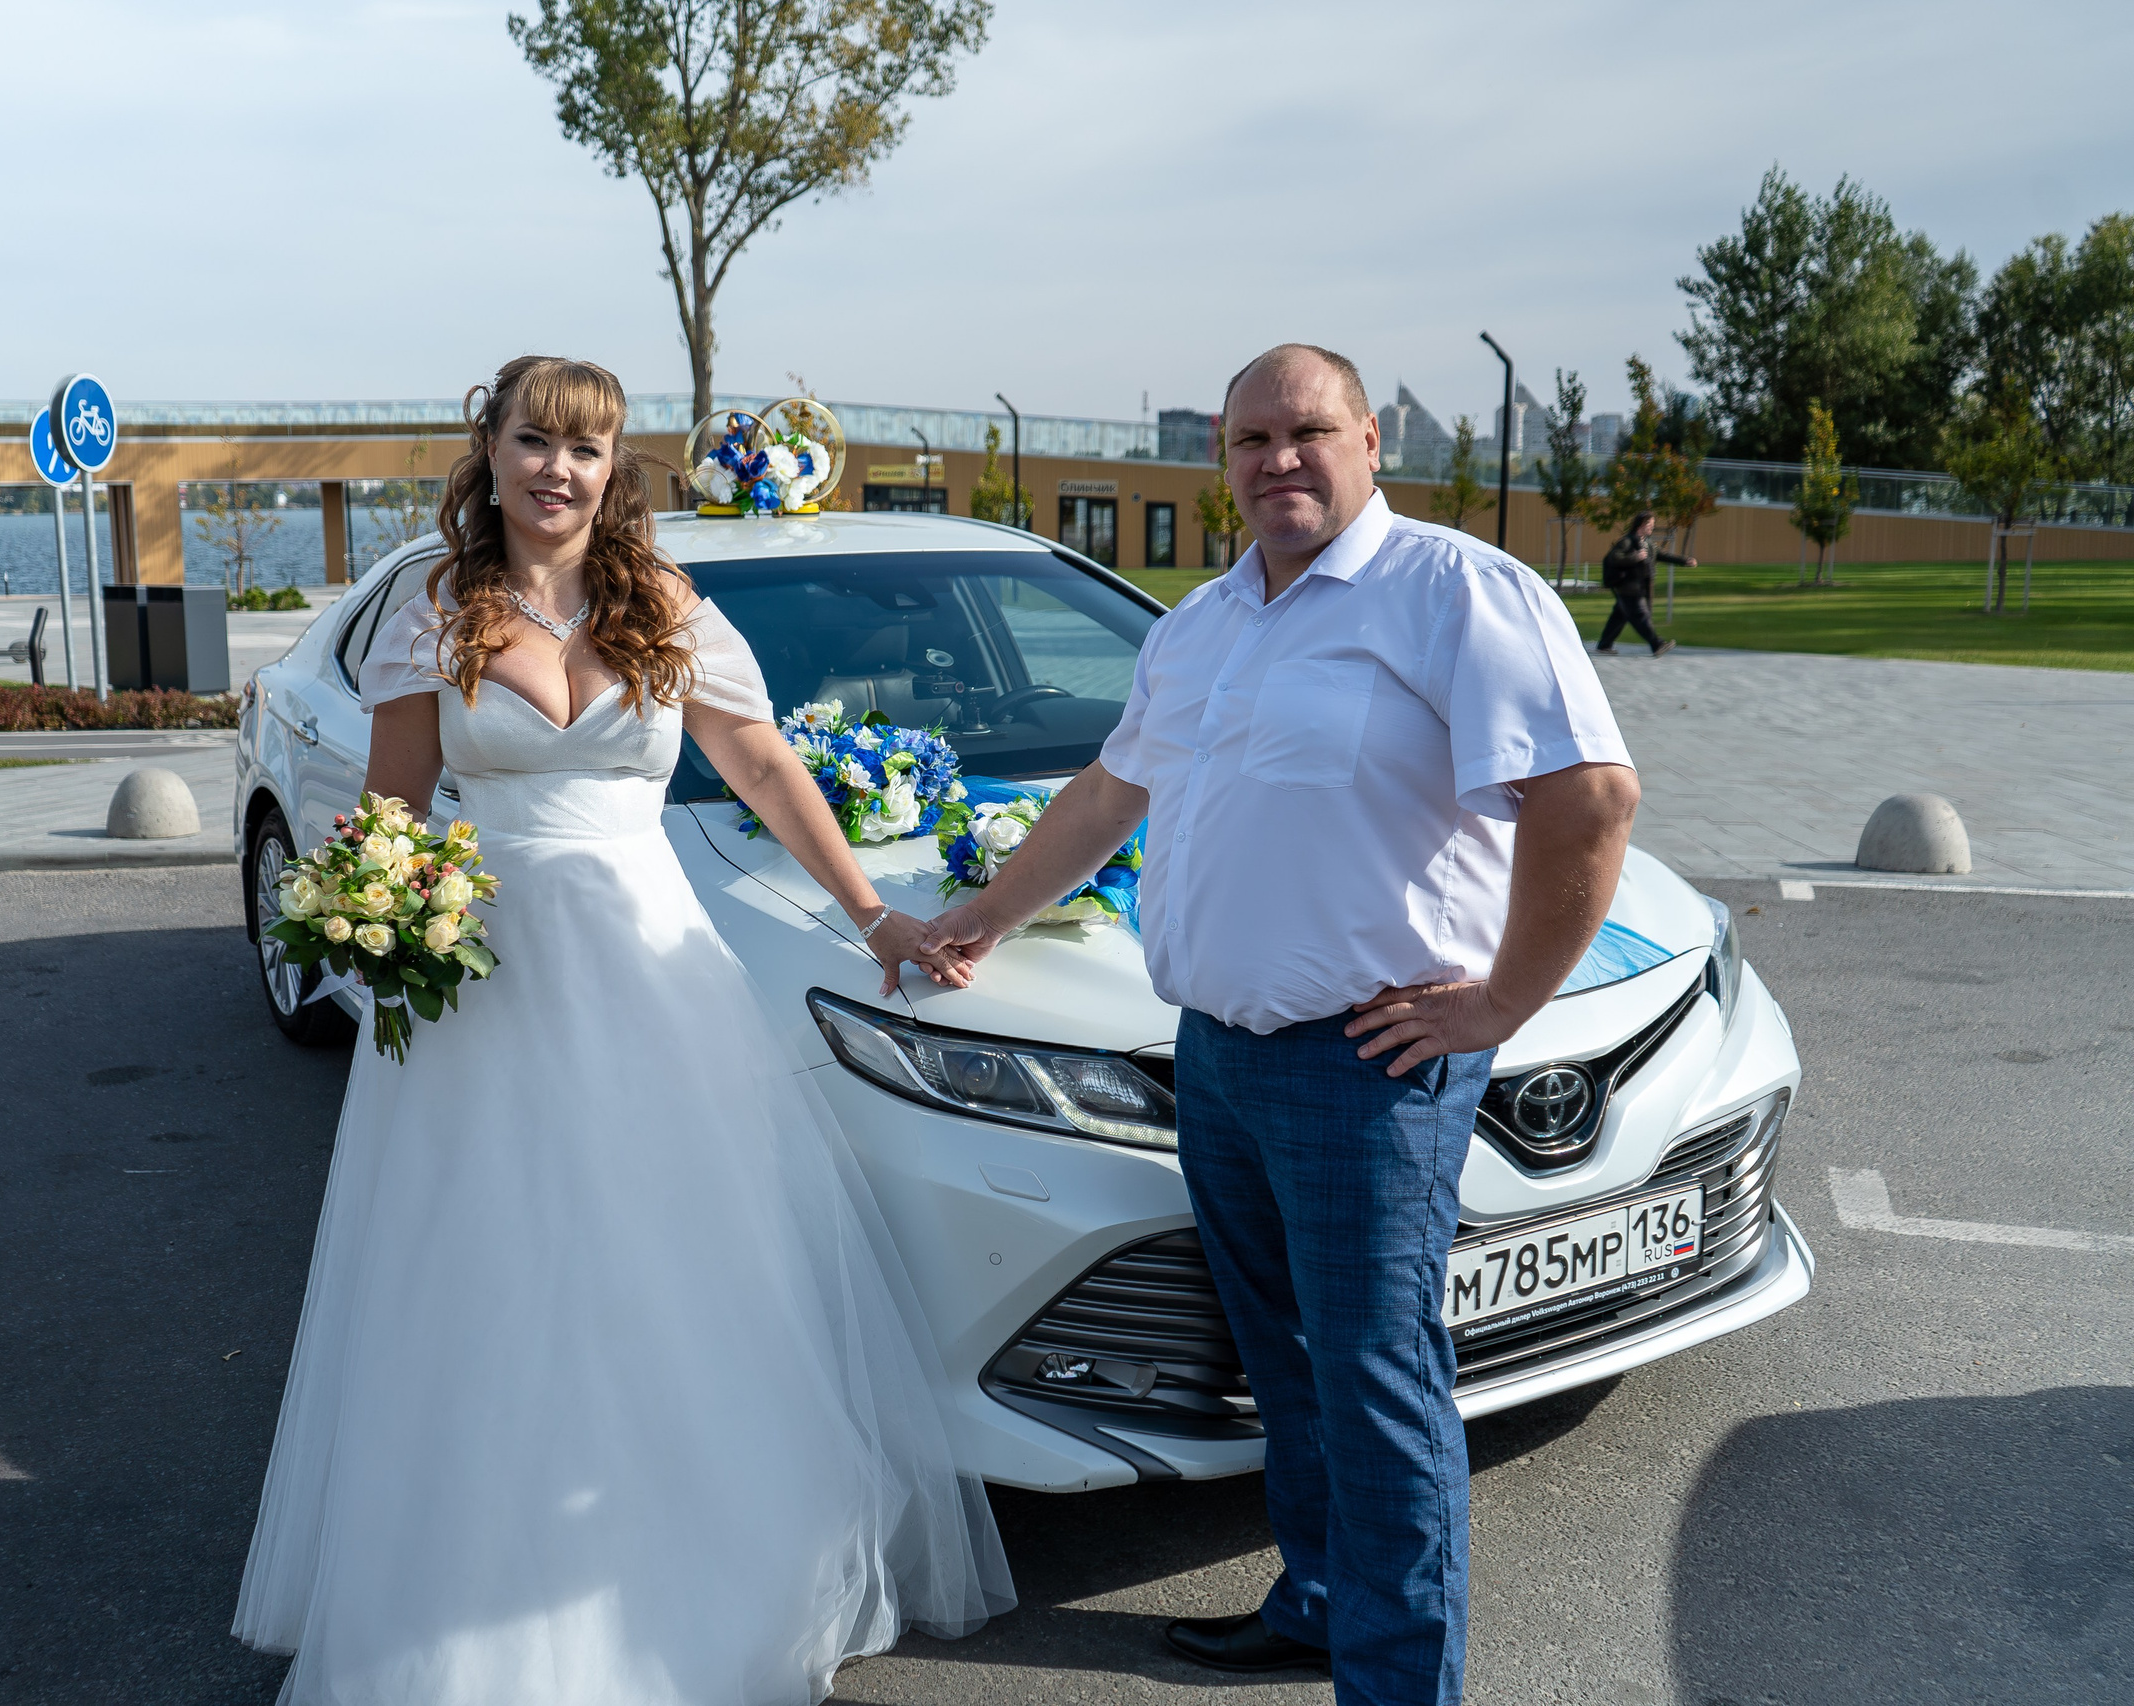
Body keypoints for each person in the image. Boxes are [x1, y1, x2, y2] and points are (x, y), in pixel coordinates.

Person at [232, 356, 1013, 1704]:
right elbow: (397, 806)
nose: (558, 470)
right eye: (534, 441)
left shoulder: (665, 604)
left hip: (654, 979)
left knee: (673, 1269)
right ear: (490, 451)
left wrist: (876, 915)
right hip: (490, 986)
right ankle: (473, 1586)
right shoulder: (438, 607)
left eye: (585, 449)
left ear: (614, 469)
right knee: (492, 1278)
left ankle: (693, 1570)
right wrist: (370, 907)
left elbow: (763, 764)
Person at [920, 344, 1640, 1706]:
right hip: (1219, 1056)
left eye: (1308, 431)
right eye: (1251, 439)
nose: (1278, 459)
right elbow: (1106, 794)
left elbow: (1591, 799)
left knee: (1376, 1388)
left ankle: (1395, 1680)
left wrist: (1500, 1001)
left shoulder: (1460, 595)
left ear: (1371, 441)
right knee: (1287, 1365)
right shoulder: (1202, 624)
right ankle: (1316, 1601)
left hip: (1365, 1066)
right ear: (1225, 463)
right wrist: (986, 917)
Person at [1595, 511, 1689, 656]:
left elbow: (1662, 555)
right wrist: (1635, 556)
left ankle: (1604, 645)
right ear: (1641, 525)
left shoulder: (1648, 543)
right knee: (1641, 616)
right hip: (1628, 586)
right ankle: (1657, 644)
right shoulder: (1627, 541)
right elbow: (1615, 557)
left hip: (1639, 586)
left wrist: (1684, 561)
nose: (1652, 527)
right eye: (1650, 524)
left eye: (1653, 524)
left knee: (1619, 616)